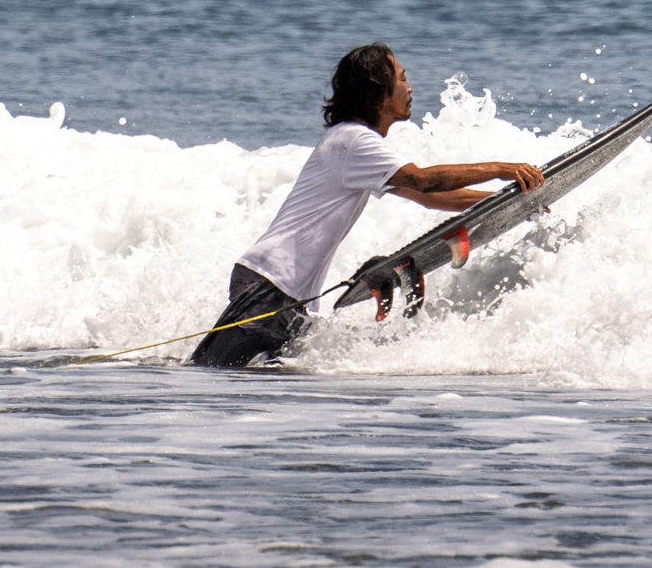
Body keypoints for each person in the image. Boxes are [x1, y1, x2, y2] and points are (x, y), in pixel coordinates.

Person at [189, 43, 545, 368]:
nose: (410, 88)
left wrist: (498, 203)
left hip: (284, 289)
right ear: (378, 91)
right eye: (402, 79)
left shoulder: (350, 142)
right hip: (272, 283)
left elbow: (425, 196)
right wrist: (502, 169)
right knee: (217, 373)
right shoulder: (353, 141)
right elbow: (422, 180)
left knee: (255, 380)